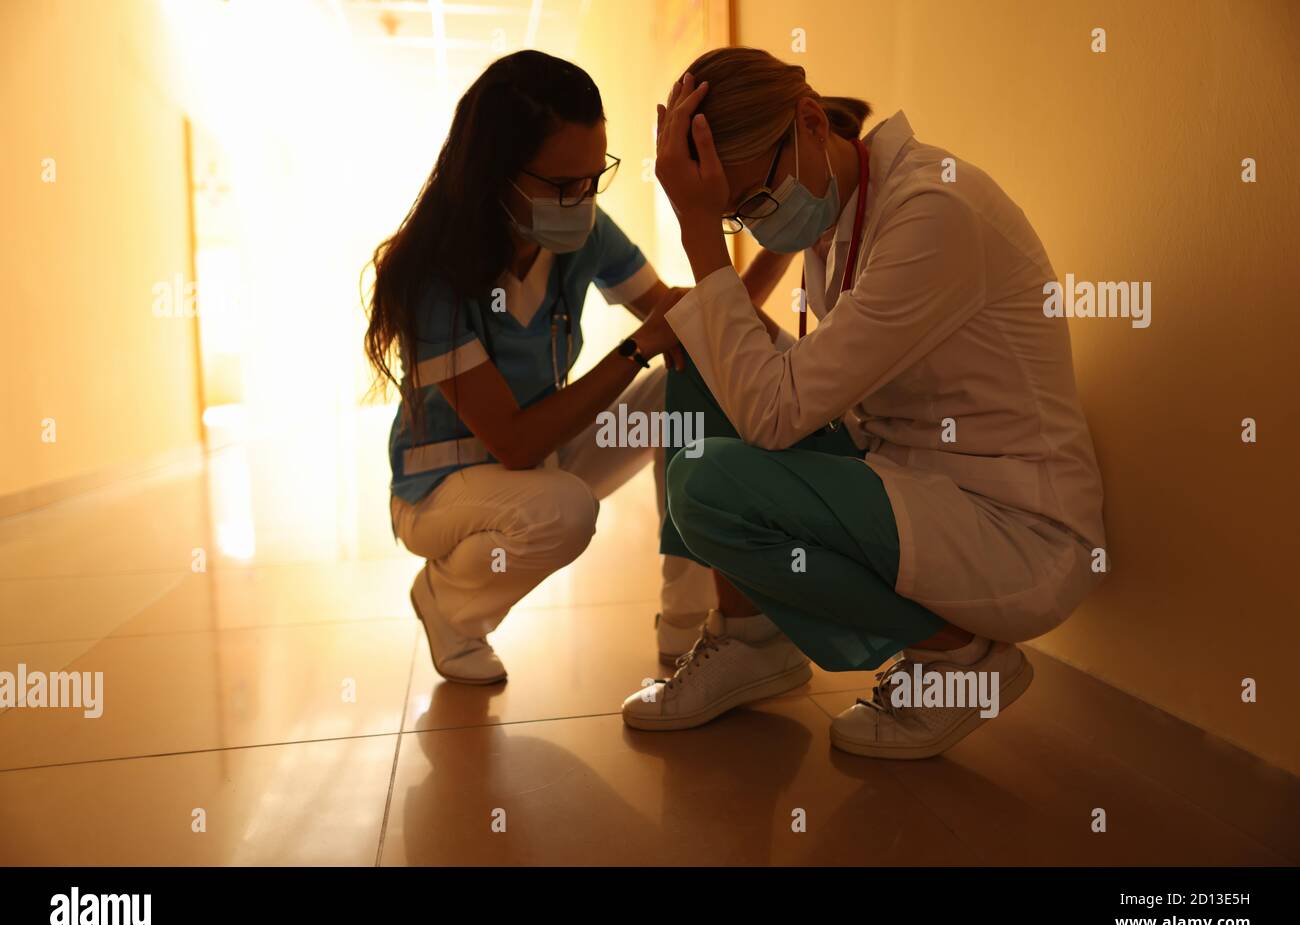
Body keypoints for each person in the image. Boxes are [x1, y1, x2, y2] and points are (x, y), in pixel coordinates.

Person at [621, 47, 1106, 759]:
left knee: (704, 485)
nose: (755, 226)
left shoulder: (933, 211)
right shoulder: (844, 213)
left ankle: (963, 661)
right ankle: (752, 640)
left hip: (1012, 529)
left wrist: (699, 236)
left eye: (754, 202)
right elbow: (801, 397)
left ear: (813, 122)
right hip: (909, 474)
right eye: (734, 217)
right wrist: (713, 313)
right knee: (699, 361)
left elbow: (775, 415)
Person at [364, 50, 713, 684]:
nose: (580, 199)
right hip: (444, 484)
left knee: (683, 392)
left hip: (542, 456)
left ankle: (688, 623)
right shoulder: (429, 276)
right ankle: (448, 606)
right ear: (496, 171)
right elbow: (515, 442)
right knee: (564, 511)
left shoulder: (581, 230)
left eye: (592, 177)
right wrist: (637, 348)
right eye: (560, 185)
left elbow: (677, 315)